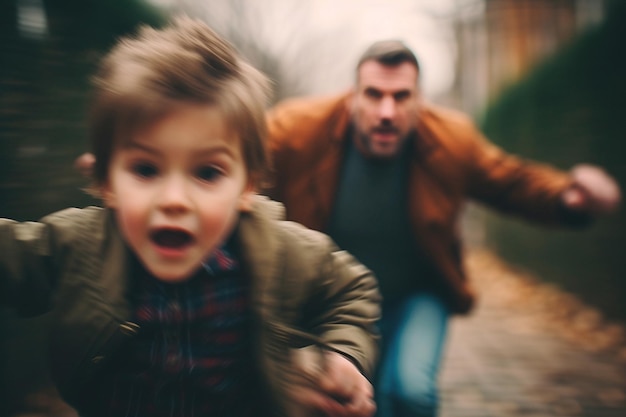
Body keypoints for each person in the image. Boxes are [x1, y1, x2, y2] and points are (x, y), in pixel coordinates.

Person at [0, 18, 381, 417]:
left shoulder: (282, 252)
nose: (175, 200)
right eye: (146, 170)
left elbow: (351, 290)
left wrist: (343, 354)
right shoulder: (77, 245)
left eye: (207, 173)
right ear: (105, 180)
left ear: (246, 187)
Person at [262, 40, 621, 417]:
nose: (387, 111)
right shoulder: (296, 130)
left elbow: (509, 181)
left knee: (411, 392)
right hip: (333, 301)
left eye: (402, 96)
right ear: (353, 95)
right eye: (374, 94)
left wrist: (568, 197)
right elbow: (240, 164)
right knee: (343, 400)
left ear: (420, 99)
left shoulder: (452, 137)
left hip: (418, 294)